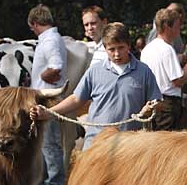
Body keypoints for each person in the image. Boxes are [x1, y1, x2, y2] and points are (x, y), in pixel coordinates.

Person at [30, 23, 160, 148]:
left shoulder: (144, 71)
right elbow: (76, 99)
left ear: (129, 46)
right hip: (96, 142)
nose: (116, 54)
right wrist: (49, 113)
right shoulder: (95, 71)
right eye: (111, 49)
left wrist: (150, 108)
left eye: (121, 48)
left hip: (129, 144)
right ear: (105, 48)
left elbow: (156, 102)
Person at [28, 4, 68, 185]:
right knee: (45, 142)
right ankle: (46, 182)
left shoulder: (50, 40)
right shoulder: (52, 38)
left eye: (32, 27)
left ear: (35, 24)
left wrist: (42, 77)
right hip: (45, 95)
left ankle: (55, 183)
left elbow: (56, 66)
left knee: (49, 142)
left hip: (47, 96)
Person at [141, 7, 187, 131]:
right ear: (168, 27)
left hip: (151, 100)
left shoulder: (147, 49)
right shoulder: (167, 49)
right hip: (168, 104)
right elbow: (178, 81)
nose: (179, 30)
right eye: (177, 26)